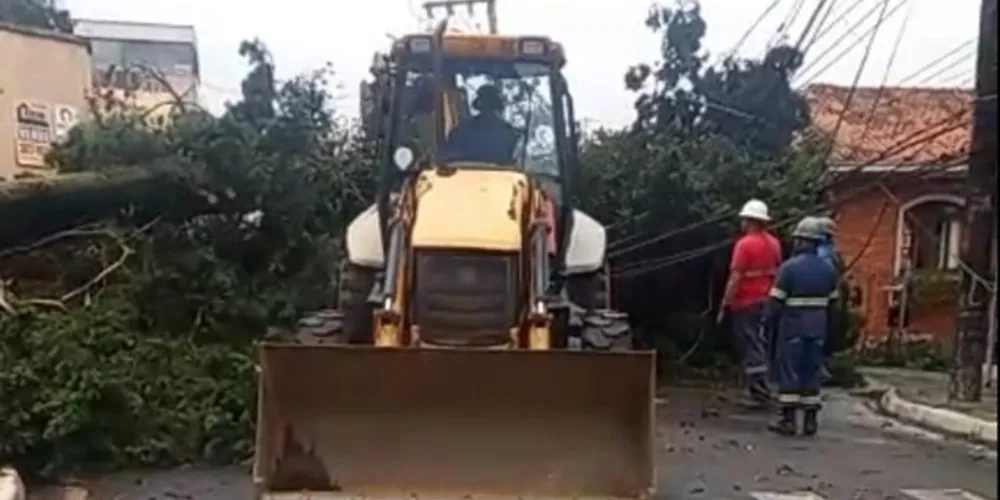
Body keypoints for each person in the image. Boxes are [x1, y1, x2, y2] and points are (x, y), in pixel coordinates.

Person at [760, 217, 840, 437]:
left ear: (803, 241)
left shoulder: (789, 269)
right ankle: (810, 420)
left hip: (793, 328)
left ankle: (788, 421)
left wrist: (766, 322)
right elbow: (835, 305)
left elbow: (775, 302)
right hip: (818, 328)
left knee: (790, 371)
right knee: (812, 371)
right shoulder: (828, 270)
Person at [718, 199, 783, 410]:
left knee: (750, 345)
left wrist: (725, 303)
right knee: (761, 342)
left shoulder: (744, 244)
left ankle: (759, 392)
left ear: (750, 221)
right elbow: (776, 272)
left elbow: (735, 277)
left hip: (746, 302)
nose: (742, 223)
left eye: (744, 220)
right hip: (767, 300)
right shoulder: (774, 243)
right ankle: (760, 388)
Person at [442, 84, 520, 164]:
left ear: (478, 104)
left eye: (490, 105)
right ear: (499, 106)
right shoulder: (511, 133)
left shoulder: (460, 130)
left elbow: (449, 160)